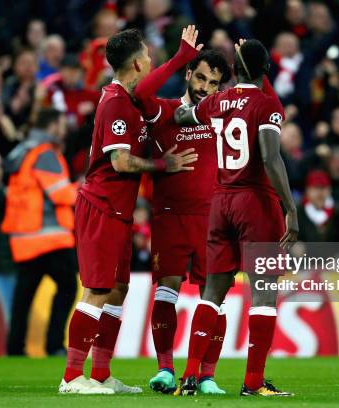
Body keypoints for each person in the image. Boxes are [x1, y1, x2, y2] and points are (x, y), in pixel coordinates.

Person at [59, 26, 200, 395]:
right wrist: (162, 166)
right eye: (148, 57)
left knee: (119, 289)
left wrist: (181, 58)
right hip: (101, 206)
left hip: (118, 210)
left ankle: (101, 373)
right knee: (97, 290)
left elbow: (148, 87)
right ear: (137, 63)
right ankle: (73, 377)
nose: (151, 63)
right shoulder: (117, 103)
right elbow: (120, 162)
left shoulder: (128, 97)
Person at [174, 39, 298, 396]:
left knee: (213, 293)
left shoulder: (217, 100)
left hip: (220, 203)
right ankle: (253, 383)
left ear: (235, 71)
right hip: (254, 201)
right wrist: (290, 208)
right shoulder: (267, 104)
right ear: (265, 72)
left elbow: (183, 115)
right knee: (263, 293)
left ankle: (190, 378)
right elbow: (272, 159)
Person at [133, 49, 231, 394]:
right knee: (167, 287)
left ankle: (207, 376)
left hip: (213, 220)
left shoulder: (221, 118)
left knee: (213, 297)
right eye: (201, 77)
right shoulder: (165, 110)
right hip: (170, 217)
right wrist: (178, 58)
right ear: (189, 75)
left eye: (214, 83)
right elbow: (140, 93)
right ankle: (165, 369)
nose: (206, 87)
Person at [1, 108, 78, 356]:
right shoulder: (45, 154)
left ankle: (15, 348)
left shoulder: (22, 151)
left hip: (23, 239)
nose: (64, 130)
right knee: (68, 287)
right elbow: (61, 194)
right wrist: (84, 188)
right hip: (50, 237)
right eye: (61, 124)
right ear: (53, 126)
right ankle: (54, 344)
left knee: (24, 296)